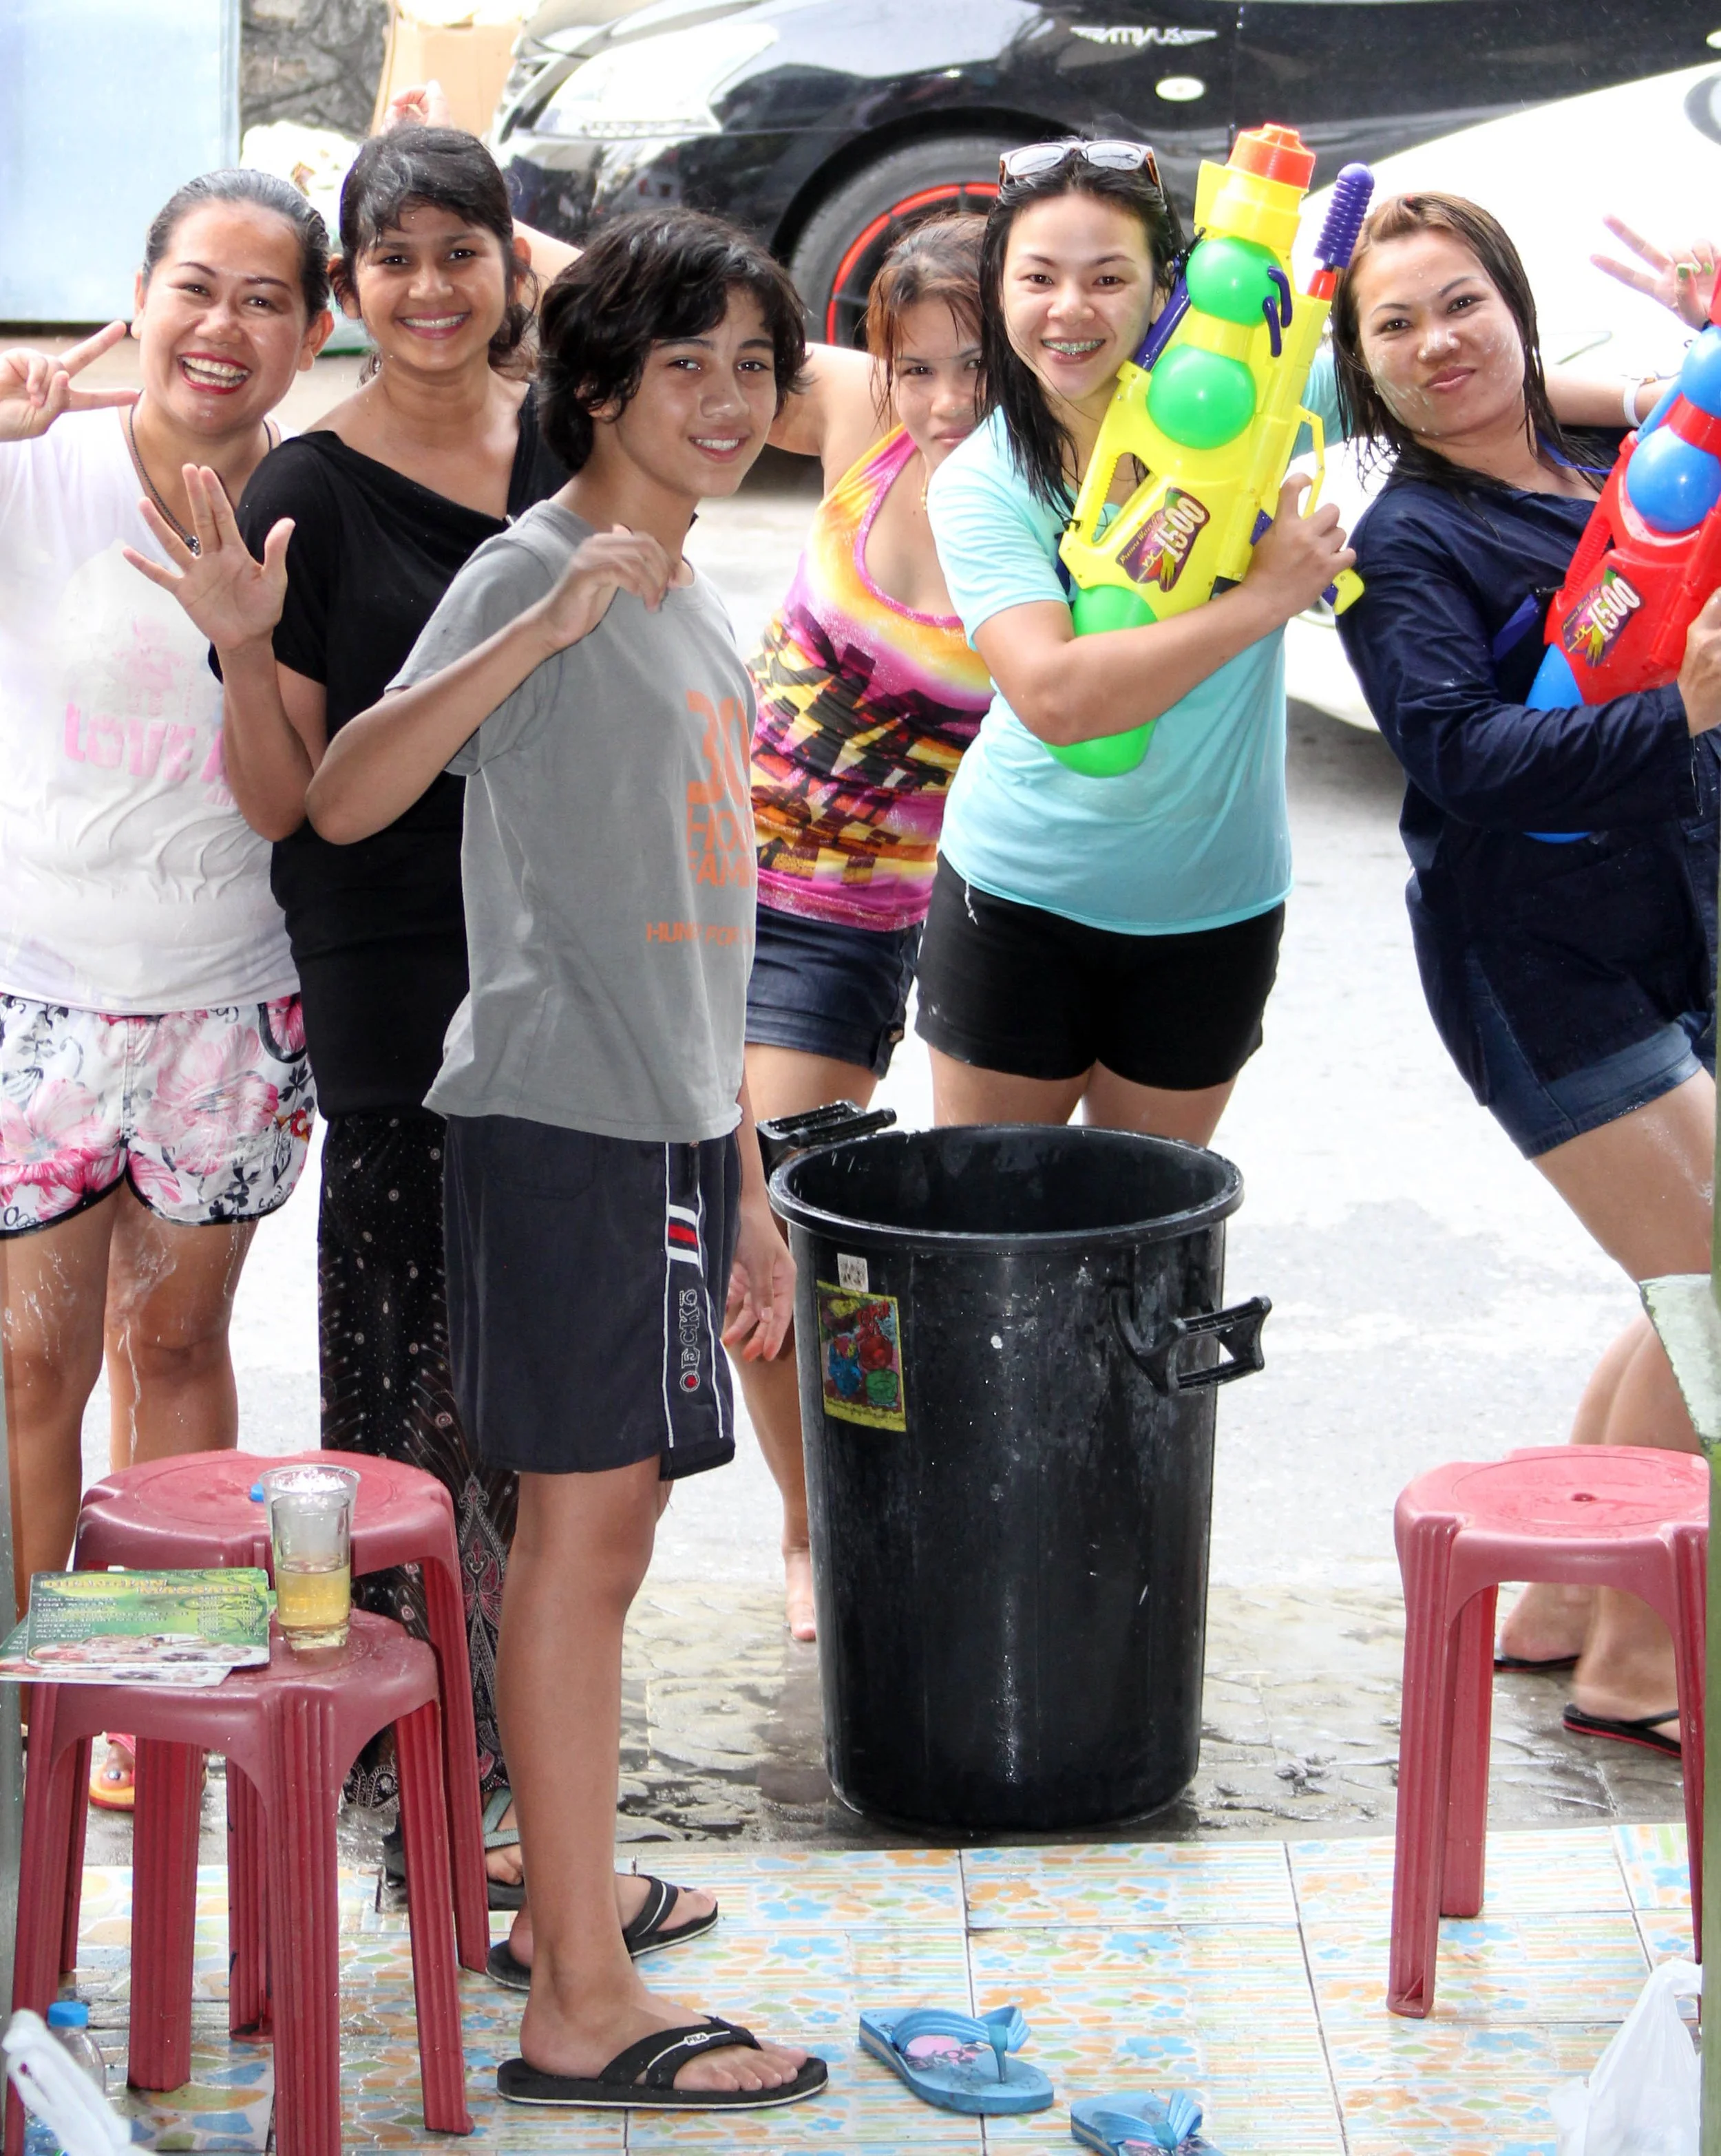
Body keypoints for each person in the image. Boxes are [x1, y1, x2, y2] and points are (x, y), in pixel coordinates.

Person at [130, 125, 708, 1945]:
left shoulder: (571, 442)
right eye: (395, 259)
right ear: (350, 291)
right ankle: (435, 1814)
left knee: (574, 1422)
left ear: (508, 264)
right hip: (405, 994)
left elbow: (788, 388)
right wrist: (242, 642)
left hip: (590, 970)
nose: (434, 290)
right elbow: (291, 803)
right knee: (415, 1407)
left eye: (466, 252)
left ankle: (534, 1812)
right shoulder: (307, 475)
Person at [302, 207, 826, 2111]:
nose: (721, 398)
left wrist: (745, 1172)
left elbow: (714, 905)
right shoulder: (541, 568)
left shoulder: (698, 597)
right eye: (680, 362)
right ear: (594, 382)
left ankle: (573, 1913)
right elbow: (351, 791)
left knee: (608, 1545)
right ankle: (580, 1998)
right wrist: (538, 622)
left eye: (751, 367)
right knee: (577, 1551)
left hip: (669, 1128)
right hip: (547, 1117)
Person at [1330, 191, 1721, 1757]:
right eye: (1394, 323)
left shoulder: (1593, 466)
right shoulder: (1392, 538)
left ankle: (1562, 1596)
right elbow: (1459, 756)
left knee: (1681, 1277)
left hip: (1658, 926)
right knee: (1705, 1287)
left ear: (1513, 306)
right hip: (1530, 960)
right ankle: (1635, 1659)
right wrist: (1677, 719)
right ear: (1359, 364)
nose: (1438, 344)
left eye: (1461, 304)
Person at [0, 170, 332, 1809]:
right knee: (26, 1363)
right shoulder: (38, 464)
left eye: (266, 299)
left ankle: (150, 1692)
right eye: (196, 288)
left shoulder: (317, 506)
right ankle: (34, 1694)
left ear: (311, 333)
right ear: (136, 300)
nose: (225, 327)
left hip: (230, 995)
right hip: (38, 990)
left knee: (175, 1339)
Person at [918, 140, 1353, 1146]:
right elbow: (1063, 699)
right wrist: (1265, 596)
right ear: (998, 291)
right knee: (993, 1235)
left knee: (1143, 1253)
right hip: (1019, 901)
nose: (1070, 309)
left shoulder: (1252, 405)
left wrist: (1657, 394)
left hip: (1215, 906)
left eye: (1109, 278)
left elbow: (1441, 387)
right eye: (1037, 277)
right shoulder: (985, 480)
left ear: (1171, 290)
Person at [741, 215, 993, 1637]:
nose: (945, 400)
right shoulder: (855, 417)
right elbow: (654, 333)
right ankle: (802, 1508)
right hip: (693, 875)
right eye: (919, 368)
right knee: (706, 1236)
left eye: (977, 369)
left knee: (794, 1227)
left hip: (839, 928)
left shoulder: (1051, 512)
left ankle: (823, 1522)